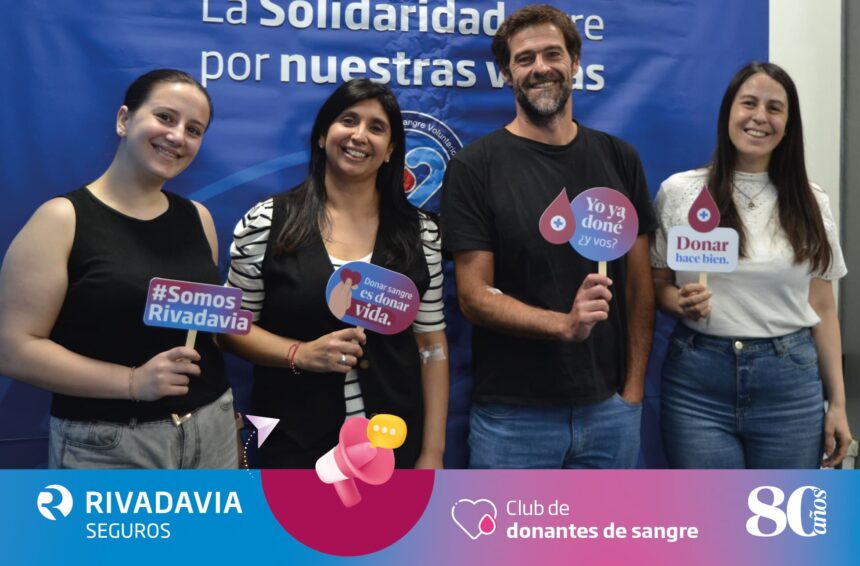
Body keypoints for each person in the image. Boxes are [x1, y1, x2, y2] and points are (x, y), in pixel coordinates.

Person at [441, 4, 656, 469]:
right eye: (524, 59)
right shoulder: (475, 168)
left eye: (552, 54)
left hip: (610, 413)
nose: (540, 67)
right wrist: (564, 324)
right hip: (512, 420)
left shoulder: (620, 159)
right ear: (506, 74)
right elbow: (474, 297)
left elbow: (640, 289)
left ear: (575, 62)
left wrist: (633, 391)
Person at [0, 69, 237, 468]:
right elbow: (12, 349)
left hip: (212, 429)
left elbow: (202, 326)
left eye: (194, 130)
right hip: (109, 444)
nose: (177, 136)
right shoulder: (62, 219)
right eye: (165, 117)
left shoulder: (199, 218)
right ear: (124, 119)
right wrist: (132, 382)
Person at [222, 79, 448, 469]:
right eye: (348, 120)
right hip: (294, 444)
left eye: (376, 127)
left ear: (390, 150)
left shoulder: (422, 233)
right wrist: (300, 354)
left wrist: (432, 453)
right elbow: (230, 328)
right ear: (323, 135)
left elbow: (431, 346)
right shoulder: (267, 222)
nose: (360, 135)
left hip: (392, 446)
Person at [652, 61, 852, 469]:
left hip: (789, 384)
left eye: (774, 108)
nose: (760, 116)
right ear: (728, 112)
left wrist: (838, 404)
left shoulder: (812, 202)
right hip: (697, 385)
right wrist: (678, 302)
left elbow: (823, 307)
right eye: (749, 103)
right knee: (710, 509)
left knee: (782, 511)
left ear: (788, 125)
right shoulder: (679, 192)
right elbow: (657, 283)